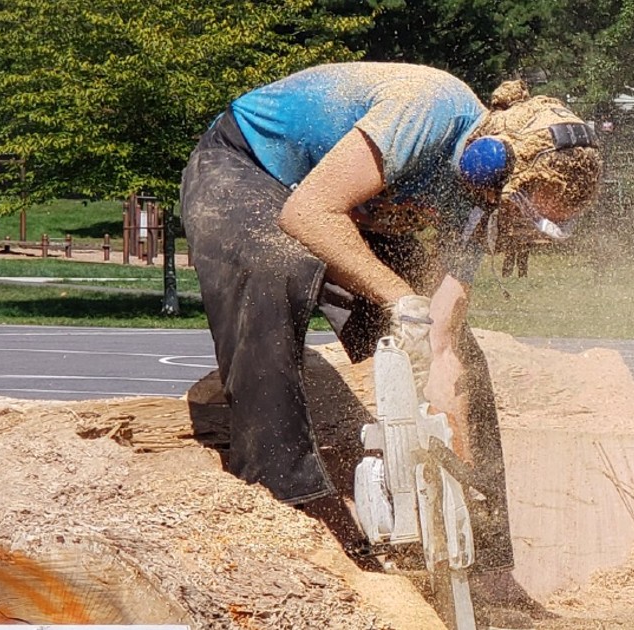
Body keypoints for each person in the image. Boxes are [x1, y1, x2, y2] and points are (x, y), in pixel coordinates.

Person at [179, 62, 602, 620]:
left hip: (344, 207)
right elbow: (307, 212)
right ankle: (289, 510)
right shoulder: (426, 111)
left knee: (463, 356)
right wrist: (401, 299)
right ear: (495, 164)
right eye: (526, 209)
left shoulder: (478, 195)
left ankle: (490, 569)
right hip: (247, 171)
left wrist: (445, 380)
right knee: (277, 268)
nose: (521, 225)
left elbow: (443, 330)